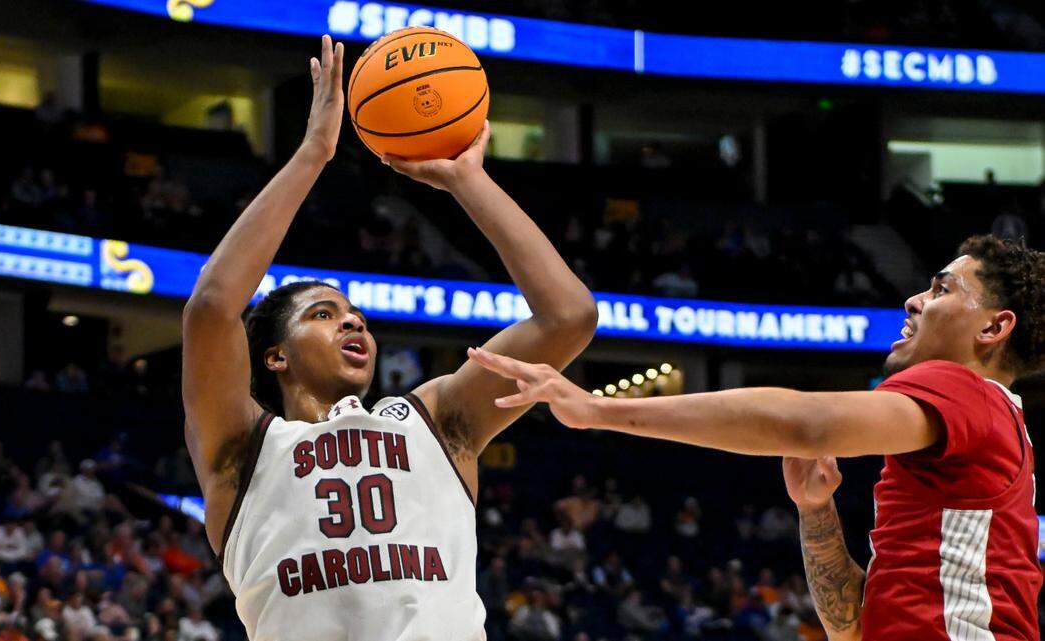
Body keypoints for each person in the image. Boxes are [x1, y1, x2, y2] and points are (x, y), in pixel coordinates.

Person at [180, 36, 596, 641]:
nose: (353, 323)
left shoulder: (434, 420)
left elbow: (567, 316)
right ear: (273, 356)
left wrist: (466, 180)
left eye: (357, 318)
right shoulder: (242, 450)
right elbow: (214, 307)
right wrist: (313, 156)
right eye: (323, 315)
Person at [468, 235, 1045, 641]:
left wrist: (595, 408)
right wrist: (815, 511)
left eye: (941, 290)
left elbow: (805, 423)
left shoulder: (965, 392)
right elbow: (850, 626)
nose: (914, 299)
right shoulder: (976, 429)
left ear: (993, 328)